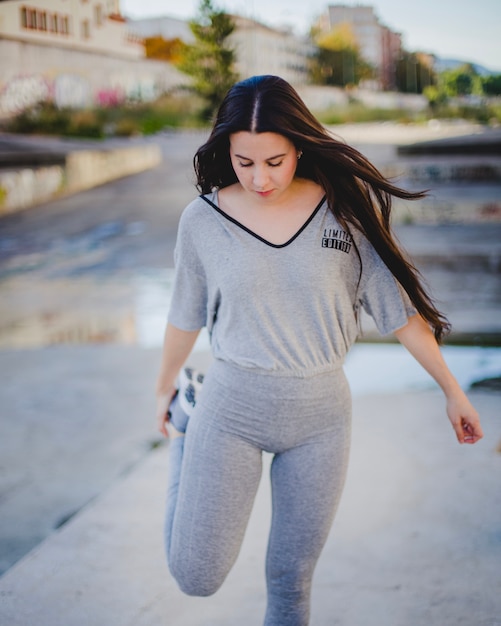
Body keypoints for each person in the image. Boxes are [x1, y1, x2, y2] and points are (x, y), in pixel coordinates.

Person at [155, 75, 483, 625]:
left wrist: (453, 392)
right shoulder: (202, 220)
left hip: (321, 419)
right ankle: (187, 434)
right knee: (197, 578)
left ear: (300, 146)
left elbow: (399, 312)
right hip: (231, 408)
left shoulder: (345, 214)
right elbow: (184, 311)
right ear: (226, 151)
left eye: (275, 161)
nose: (260, 178)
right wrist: (164, 386)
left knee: (290, 581)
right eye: (244, 162)